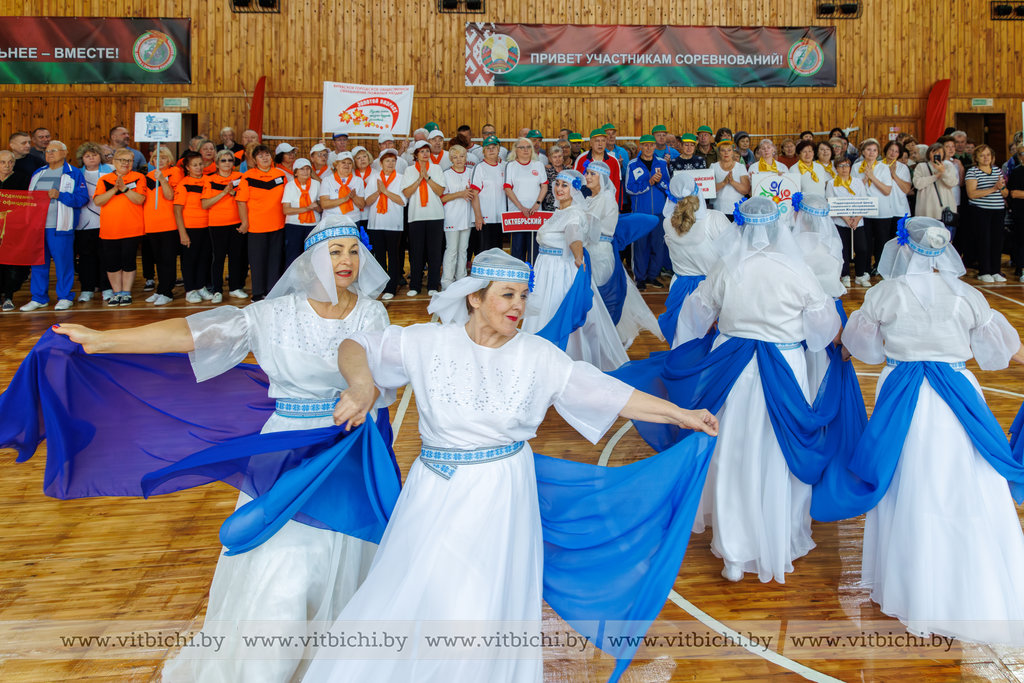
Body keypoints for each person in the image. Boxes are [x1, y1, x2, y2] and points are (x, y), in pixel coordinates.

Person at [302, 247, 718, 682]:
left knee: (481, 604)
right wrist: (361, 384)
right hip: (434, 490)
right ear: (474, 297)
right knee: (414, 588)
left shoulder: (538, 356)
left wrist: (682, 415)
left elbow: (609, 394)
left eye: (523, 295)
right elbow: (355, 345)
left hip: (502, 491)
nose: (518, 305)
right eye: (506, 295)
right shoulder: (428, 342)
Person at [52, 217, 391, 682]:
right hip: (285, 450)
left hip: (345, 449)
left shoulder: (371, 314)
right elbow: (191, 333)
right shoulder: (271, 314)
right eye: (335, 251)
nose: (347, 260)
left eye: (354, 250)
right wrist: (104, 340)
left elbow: (365, 360)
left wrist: (362, 388)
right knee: (285, 567)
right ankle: (263, 670)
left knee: (341, 557)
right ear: (312, 260)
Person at [821, 218, 1024, 645]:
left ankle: (914, 584)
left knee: (910, 482)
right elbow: (1000, 351)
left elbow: (861, 346)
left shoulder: (886, 293)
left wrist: (844, 348)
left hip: (904, 395)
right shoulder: (967, 295)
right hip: (958, 396)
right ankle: (970, 579)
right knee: (965, 483)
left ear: (903, 249)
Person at [674, 197, 841, 583]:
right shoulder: (795, 269)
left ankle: (733, 550)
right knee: (778, 448)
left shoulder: (727, 266)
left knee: (733, 449)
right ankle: (781, 536)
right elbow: (822, 326)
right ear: (778, 225)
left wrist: (701, 341)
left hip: (734, 367)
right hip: (784, 365)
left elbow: (697, 312)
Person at [522, 169, 628, 371]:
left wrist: (579, 257)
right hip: (547, 270)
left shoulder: (574, 213)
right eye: (557, 184)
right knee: (545, 311)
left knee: (556, 309)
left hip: (560, 272)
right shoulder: (559, 212)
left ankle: (564, 358)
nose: (559, 188)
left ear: (574, 190)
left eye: (565, 185)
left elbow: (574, 235)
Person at [586, 160, 663, 346]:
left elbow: (588, 227)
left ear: (602, 178)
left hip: (599, 251)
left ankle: (609, 336)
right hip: (592, 249)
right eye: (587, 173)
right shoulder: (592, 199)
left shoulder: (605, 199)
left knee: (602, 294)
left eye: (592, 174)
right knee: (595, 294)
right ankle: (602, 334)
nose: (587, 177)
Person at [660, 177, 732, 347]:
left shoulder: (667, 223)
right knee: (713, 346)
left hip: (681, 290)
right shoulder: (715, 218)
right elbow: (733, 256)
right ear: (698, 193)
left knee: (683, 342)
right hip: (712, 290)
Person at [20, 141, 89, 312]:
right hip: (37, 227)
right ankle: (39, 298)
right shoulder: (38, 173)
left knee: (63, 263)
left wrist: (60, 195)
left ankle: (65, 297)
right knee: (38, 264)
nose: (49, 153)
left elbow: (82, 199)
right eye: (47, 151)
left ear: (64, 153)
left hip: (60, 227)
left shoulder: (74, 173)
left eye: (53, 150)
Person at [93, 148, 148, 306]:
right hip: (110, 229)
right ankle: (116, 292)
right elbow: (98, 201)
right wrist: (115, 189)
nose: (125, 163)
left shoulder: (138, 177)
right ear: (114, 162)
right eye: (122, 160)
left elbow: (139, 199)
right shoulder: (105, 179)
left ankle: (126, 292)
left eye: (129, 160)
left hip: (132, 228)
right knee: (112, 263)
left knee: (128, 261)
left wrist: (124, 188)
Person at [237, 144, 288, 301]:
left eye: (266, 154)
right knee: (257, 261)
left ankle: (272, 291)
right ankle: (258, 293)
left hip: (278, 224)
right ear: (254, 159)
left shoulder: (280, 175)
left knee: (275, 260)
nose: (264, 158)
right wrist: (244, 222)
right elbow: (241, 201)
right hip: (256, 226)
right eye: (260, 155)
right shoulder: (248, 176)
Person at [626, 134, 674, 288]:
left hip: (659, 212)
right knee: (640, 246)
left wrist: (659, 183)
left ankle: (653, 276)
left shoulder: (662, 163)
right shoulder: (632, 165)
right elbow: (629, 188)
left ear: (655, 146)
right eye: (645, 145)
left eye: (651, 145)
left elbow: (669, 186)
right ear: (640, 146)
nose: (648, 148)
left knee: (658, 246)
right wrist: (649, 182)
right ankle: (640, 278)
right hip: (640, 213)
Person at [202, 149, 247, 302]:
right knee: (218, 258)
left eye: (230, 160)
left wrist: (234, 193)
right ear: (217, 163)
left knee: (236, 257)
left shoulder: (240, 177)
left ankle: (235, 288)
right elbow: (205, 204)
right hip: (217, 224)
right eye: (223, 160)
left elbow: (245, 198)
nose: (227, 163)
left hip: (236, 223)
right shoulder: (209, 180)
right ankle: (217, 290)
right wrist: (224, 192)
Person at [402, 140, 446, 296]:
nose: (425, 154)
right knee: (416, 253)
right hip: (416, 216)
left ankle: (433, 285)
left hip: (435, 215)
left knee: (434, 253)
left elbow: (440, 191)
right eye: (422, 151)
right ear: (416, 154)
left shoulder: (436, 168)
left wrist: (427, 178)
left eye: (427, 151)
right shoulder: (409, 170)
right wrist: (419, 179)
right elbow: (407, 193)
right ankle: (415, 286)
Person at [142, 146, 184, 306]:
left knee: (168, 258)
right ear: (152, 161)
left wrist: (162, 179)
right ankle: (160, 289)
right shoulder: (148, 176)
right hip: (152, 223)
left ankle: (167, 291)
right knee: (158, 259)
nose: (159, 161)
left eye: (164, 158)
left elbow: (170, 195)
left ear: (170, 160)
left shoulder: (175, 172)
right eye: (156, 158)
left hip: (168, 222)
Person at [72, 143, 112, 303]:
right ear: (82, 159)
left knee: (106, 256)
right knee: (86, 257)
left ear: (100, 156)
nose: (91, 158)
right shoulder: (76, 173)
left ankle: (107, 288)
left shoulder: (110, 171)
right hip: (83, 222)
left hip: (105, 220)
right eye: (87, 156)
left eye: (94, 155)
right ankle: (87, 289)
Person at [364, 148, 407, 300]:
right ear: (381, 163)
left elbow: (402, 201)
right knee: (379, 256)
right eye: (387, 161)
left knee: (393, 256)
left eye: (393, 161)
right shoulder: (373, 178)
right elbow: (367, 201)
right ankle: (381, 285)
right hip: (376, 223)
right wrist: (379, 191)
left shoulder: (401, 178)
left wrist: (385, 191)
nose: (390, 163)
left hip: (393, 223)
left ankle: (392, 287)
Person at [174, 153, 215, 304]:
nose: (198, 167)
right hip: (190, 227)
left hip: (207, 226)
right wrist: (182, 233)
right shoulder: (183, 184)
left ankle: (200, 286)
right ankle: (190, 290)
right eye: (194, 165)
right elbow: (177, 210)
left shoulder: (208, 180)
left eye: (200, 164)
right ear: (187, 167)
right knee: (189, 260)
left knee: (204, 258)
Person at [966, 144, 1009, 282]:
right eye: (982, 155)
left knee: (997, 241)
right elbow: (972, 194)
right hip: (980, 210)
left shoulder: (997, 170)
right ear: (976, 158)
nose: (986, 158)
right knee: (984, 240)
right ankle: (984, 271)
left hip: (998, 210)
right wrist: (993, 188)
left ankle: (996, 270)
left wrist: (1001, 188)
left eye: (988, 155)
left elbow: (1005, 193)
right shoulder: (972, 171)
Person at [852, 139, 894, 274]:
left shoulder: (883, 167)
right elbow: (853, 190)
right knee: (865, 242)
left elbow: (887, 190)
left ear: (878, 153)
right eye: (868, 149)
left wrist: (872, 177)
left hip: (882, 210)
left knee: (881, 241)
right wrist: (865, 179)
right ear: (863, 152)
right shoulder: (856, 167)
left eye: (874, 150)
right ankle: (865, 268)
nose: (871, 153)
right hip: (863, 210)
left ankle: (879, 267)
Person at [826, 157, 869, 288]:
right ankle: (845, 275)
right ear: (836, 168)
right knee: (843, 249)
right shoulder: (831, 183)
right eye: (841, 166)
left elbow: (864, 201)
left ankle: (860, 275)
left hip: (857, 222)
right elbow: (831, 203)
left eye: (846, 165)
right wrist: (846, 218)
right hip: (840, 222)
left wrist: (857, 219)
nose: (844, 168)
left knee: (862, 248)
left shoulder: (858, 182)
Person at [504, 137, 548, 263]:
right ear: (516, 150)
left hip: (535, 213)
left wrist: (537, 204)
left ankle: (534, 274)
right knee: (517, 249)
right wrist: (521, 207)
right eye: (522, 147)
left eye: (528, 147)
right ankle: (518, 275)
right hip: (517, 214)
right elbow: (507, 188)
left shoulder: (538, 165)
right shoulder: (511, 166)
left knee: (534, 248)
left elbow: (544, 186)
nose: (525, 150)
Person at [0, 149, 32, 311]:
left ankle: (8, 296)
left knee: (11, 263)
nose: (7, 165)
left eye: (10, 162)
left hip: (14, 229)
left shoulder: (23, 179)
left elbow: (27, 203)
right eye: (2, 162)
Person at [440, 145, 475, 289]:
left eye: (461, 156)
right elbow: (442, 197)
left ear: (466, 157)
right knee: (452, 249)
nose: (459, 159)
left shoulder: (472, 172)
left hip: (467, 216)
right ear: (451, 159)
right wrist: (460, 194)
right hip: (452, 216)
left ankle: (461, 279)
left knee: (463, 249)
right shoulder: (446, 174)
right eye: (455, 157)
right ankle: (447, 282)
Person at [281, 158, 322, 268]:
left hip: (313, 224)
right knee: (293, 256)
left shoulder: (316, 184)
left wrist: (317, 207)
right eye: (302, 169)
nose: (305, 171)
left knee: (313, 255)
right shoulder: (290, 186)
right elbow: (286, 210)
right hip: (294, 225)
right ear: (295, 172)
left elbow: (320, 208)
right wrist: (307, 208)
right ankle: (292, 278)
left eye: (308, 169)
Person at [470, 134, 507, 252]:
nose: (491, 150)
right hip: (484, 218)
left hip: (499, 218)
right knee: (484, 252)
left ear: (499, 150)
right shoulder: (479, 167)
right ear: (483, 151)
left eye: (494, 147)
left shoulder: (503, 167)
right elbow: (474, 194)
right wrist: (478, 216)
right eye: (488, 148)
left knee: (498, 252)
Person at [912, 142, 959, 224]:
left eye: (940, 153)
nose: (937, 154)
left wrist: (943, 172)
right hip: (927, 208)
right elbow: (917, 184)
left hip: (945, 207)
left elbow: (952, 183)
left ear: (943, 154)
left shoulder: (948, 166)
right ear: (928, 153)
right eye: (934, 152)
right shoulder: (921, 166)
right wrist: (935, 176)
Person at [574, 128, 621, 203]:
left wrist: (616, 206)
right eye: (597, 141)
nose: (600, 144)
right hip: (586, 203)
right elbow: (574, 183)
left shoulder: (614, 161)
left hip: (607, 203)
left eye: (603, 141)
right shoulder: (581, 159)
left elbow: (617, 186)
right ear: (591, 143)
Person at [710, 140, 751, 221]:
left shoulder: (740, 167)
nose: (726, 153)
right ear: (719, 152)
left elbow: (746, 190)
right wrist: (724, 182)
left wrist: (732, 182)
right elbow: (710, 190)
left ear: (732, 152)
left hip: (737, 210)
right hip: (718, 209)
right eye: (723, 150)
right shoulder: (713, 166)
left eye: (729, 150)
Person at [542, 144, 569, 211]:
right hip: (549, 206)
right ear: (550, 159)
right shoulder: (546, 171)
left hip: (565, 206)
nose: (557, 159)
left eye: (559, 156)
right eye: (554, 157)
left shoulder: (568, 171)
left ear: (563, 157)